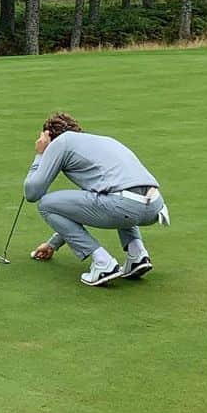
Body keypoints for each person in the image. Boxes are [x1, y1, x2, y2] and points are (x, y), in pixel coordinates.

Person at [25, 113, 170, 287]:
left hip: (124, 206)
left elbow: (32, 193)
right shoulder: (101, 141)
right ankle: (137, 255)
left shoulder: (61, 142)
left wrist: (40, 155)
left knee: (46, 204)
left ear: (48, 136)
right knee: (115, 198)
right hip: (154, 207)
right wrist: (53, 244)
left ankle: (103, 263)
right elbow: (81, 209)